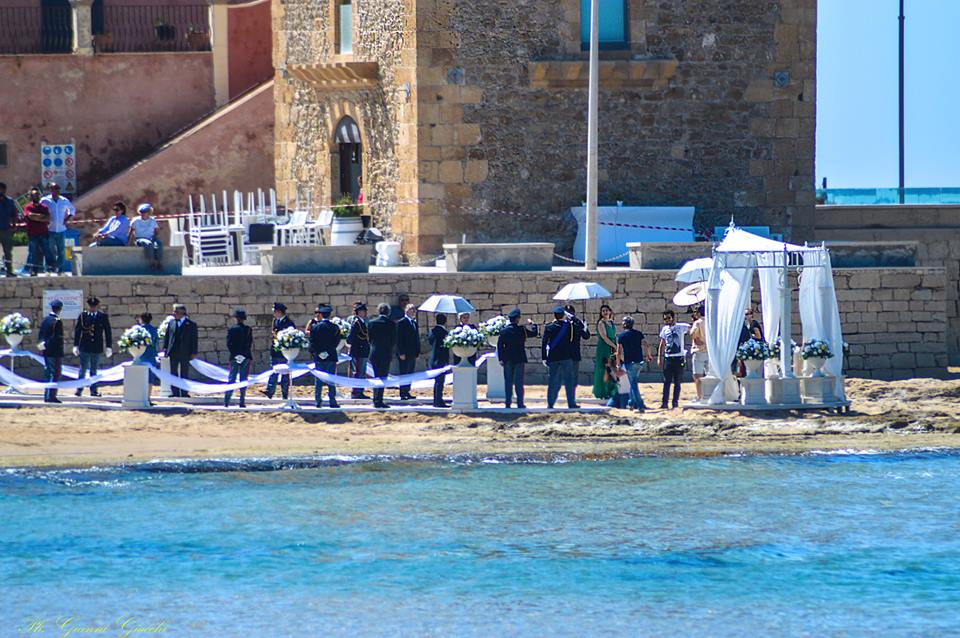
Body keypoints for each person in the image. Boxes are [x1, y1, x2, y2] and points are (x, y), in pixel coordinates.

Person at [496, 308, 539, 409]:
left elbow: (500, 345)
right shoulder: (522, 330)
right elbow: (534, 333)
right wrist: (533, 324)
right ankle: (520, 403)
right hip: (519, 358)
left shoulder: (503, 331)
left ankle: (508, 403)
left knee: (508, 382)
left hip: (507, 359)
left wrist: (500, 359)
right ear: (517, 319)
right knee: (519, 382)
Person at [73, 296, 113, 398]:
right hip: (85, 346)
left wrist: (109, 346)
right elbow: (78, 331)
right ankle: (79, 389)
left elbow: (108, 332)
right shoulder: (83, 316)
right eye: (91, 306)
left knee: (94, 369)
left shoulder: (102, 316)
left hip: (96, 346)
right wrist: (75, 345)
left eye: (94, 306)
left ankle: (93, 390)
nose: (93, 308)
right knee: (83, 368)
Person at [542, 306, 578, 409]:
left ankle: (550, 403)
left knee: (552, 381)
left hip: (553, 357)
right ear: (563, 315)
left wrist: (544, 357)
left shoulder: (549, 327)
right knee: (569, 381)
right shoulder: (569, 326)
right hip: (566, 356)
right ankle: (571, 403)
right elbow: (572, 340)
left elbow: (544, 343)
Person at [162, 303, 198, 398]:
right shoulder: (171, 323)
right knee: (173, 372)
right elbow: (167, 337)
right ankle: (175, 392)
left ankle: (184, 392)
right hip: (173, 352)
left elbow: (194, 339)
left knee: (184, 372)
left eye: (175, 311)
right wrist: (165, 349)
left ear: (181, 313)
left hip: (185, 352)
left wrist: (194, 352)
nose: (173, 313)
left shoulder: (191, 325)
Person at [308, 305, 341, 409]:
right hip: (331, 355)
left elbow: (312, 343)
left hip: (319, 356)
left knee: (319, 379)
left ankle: (318, 400)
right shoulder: (335, 327)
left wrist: (318, 353)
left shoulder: (315, 327)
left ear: (321, 315)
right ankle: (332, 400)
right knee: (331, 378)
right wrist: (328, 351)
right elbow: (337, 341)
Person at [657, 309, 691, 410]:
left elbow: (692, 329)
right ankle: (664, 403)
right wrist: (659, 357)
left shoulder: (681, 327)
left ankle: (675, 402)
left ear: (673, 318)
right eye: (665, 319)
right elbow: (662, 343)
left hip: (678, 358)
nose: (667, 320)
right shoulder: (664, 329)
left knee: (677, 382)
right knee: (666, 382)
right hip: (668, 358)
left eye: (668, 318)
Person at [617, 315, 651, 412]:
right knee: (633, 382)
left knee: (634, 384)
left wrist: (618, 363)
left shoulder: (622, 336)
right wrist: (648, 355)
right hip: (639, 362)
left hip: (629, 363)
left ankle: (640, 406)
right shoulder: (639, 333)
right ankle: (631, 403)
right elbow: (647, 345)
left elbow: (618, 351)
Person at [40, 182, 75, 274]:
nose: (55, 191)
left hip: (61, 229)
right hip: (50, 229)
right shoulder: (45, 200)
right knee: (50, 251)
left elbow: (72, 209)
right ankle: (50, 268)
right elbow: (39, 209)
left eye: (57, 189)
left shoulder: (64, 200)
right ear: (50, 190)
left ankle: (60, 269)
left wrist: (66, 219)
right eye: (53, 189)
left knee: (61, 251)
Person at [368, 303, 397, 409]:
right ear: (388, 312)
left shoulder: (371, 323)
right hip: (385, 352)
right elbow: (393, 340)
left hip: (374, 352)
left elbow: (369, 338)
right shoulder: (391, 323)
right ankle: (379, 399)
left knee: (376, 376)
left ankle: (375, 398)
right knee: (383, 376)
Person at [224, 308, 254, 409]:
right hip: (245, 356)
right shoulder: (248, 329)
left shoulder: (232, 329)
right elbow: (249, 344)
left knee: (231, 378)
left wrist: (236, 355)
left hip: (235, 356)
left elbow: (229, 344)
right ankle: (242, 401)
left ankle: (227, 400)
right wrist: (243, 355)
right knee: (243, 379)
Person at [266, 302, 295, 400]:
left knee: (285, 374)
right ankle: (270, 391)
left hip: (284, 352)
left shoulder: (288, 323)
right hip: (275, 351)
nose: (274, 314)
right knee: (273, 371)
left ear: (279, 312)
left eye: (275, 311)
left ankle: (285, 393)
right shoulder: (275, 321)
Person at [38, 299, 65, 403]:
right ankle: (51, 396)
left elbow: (41, 335)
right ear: (59, 309)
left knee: (48, 372)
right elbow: (55, 338)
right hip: (54, 351)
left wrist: (42, 345)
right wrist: (48, 345)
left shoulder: (45, 320)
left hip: (46, 351)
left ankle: (47, 395)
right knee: (55, 373)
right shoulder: (57, 321)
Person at [23, 188, 54, 276]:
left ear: (39, 196)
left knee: (47, 251)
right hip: (32, 234)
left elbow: (48, 218)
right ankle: (34, 270)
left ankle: (50, 269)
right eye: (33, 195)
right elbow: (30, 216)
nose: (35, 196)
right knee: (33, 253)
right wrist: (41, 217)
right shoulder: (28, 207)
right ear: (30, 196)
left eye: (37, 195)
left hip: (43, 233)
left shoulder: (44, 207)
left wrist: (36, 217)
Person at [395, 303, 420, 400]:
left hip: (412, 352)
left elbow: (416, 338)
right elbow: (399, 339)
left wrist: (417, 351)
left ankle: (407, 391)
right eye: (411, 310)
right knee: (404, 372)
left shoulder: (414, 323)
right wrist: (401, 352)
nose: (413, 312)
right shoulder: (402, 322)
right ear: (406, 311)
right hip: (404, 353)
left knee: (410, 373)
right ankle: (402, 392)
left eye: (414, 310)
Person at [346, 302, 371, 400]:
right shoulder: (356, 322)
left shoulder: (362, 322)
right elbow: (351, 337)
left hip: (362, 350)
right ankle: (356, 392)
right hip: (358, 350)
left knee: (362, 372)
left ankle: (360, 390)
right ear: (359, 312)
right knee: (358, 372)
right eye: (362, 311)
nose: (364, 313)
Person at [593, 304, 617, 400]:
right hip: (604, 348)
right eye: (603, 311)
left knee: (612, 368)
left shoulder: (611, 322)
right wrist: (614, 346)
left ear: (610, 311)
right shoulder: (600, 323)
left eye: (606, 310)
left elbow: (613, 335)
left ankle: (611, 391)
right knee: (604, 369)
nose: (605, 312)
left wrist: (616, 346)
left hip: (612, 346)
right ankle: (602, 392)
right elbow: (604, 337)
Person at [129, 203, 163, 270]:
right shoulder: (135, 220)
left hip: (151, 237)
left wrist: (154, 236)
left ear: (149, 212)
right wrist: (128, 242)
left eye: (145, 212)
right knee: (148, 244)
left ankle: (159, 262)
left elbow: (157, 230)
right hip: (140, 238)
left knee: (159, 243)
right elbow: (130, 231)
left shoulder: (152, 220)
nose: (143, 214)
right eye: (141, 212)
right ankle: (152, 263)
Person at [428, 313, 450, 408]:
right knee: (440, 381)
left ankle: (436, 399)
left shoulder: (432, 331)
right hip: (441, 359)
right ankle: (438, 401)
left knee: (437, 381)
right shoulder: (444, 332)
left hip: (433, 358)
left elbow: (430, 341)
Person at [689, 305, 709, 401]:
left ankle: (699, 396)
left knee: (697, 375)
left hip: (699, 350)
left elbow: (692, 334)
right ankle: (709, 393)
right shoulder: (710, 322)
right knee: (709, 373)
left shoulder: (697, 323)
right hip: (709, 351)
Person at [0, 182, 18, 277]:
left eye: (1, 189)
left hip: (6, 229)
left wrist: (14, 225)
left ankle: (9, 271)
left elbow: (14, 214)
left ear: (4, 190)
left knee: (8, 252)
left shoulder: (9, 201)